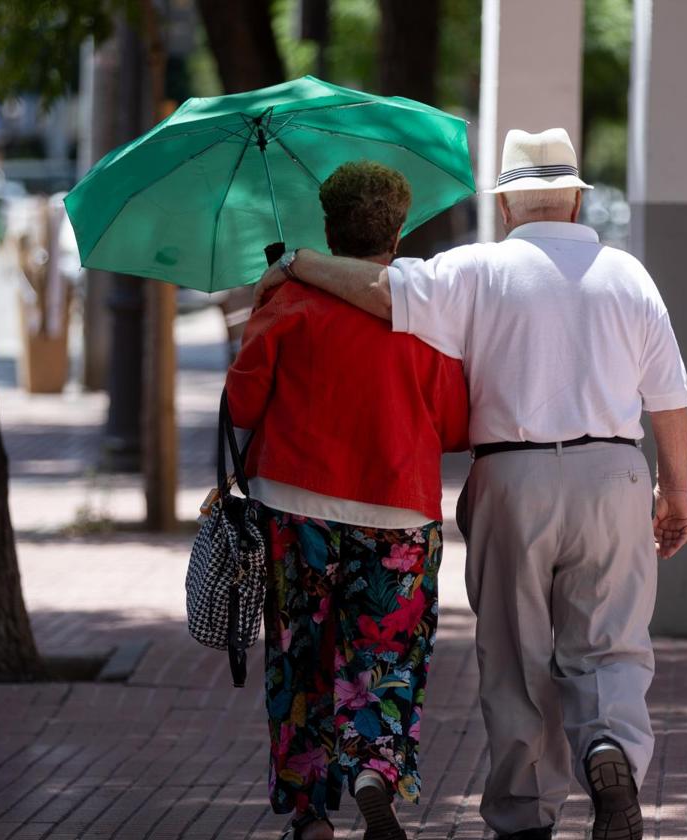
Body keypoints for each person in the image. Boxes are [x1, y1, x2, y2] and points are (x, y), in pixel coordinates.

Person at [256, 128, 687, 840]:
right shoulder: (628, 276)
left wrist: (299, 263)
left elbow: (376, 288)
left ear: (504, 205)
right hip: (614, 472)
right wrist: (675, 491)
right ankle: (608, 746)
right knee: (610, 644)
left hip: (511, 477)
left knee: (516, 656)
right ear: (578, 202)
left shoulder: (476, 270)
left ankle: (524, 816)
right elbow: (669, 396)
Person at [226, 161, 470, 840]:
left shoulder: (288, 302)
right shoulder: (423, 317)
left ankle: (309, 814)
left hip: (294, 504)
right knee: (385, 656)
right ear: (396, 233)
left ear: (330, 228)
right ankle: (375, 769)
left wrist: (261, 306)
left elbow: (243, 400)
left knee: (299, 654)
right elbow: (453, 425)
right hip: (397, 511)